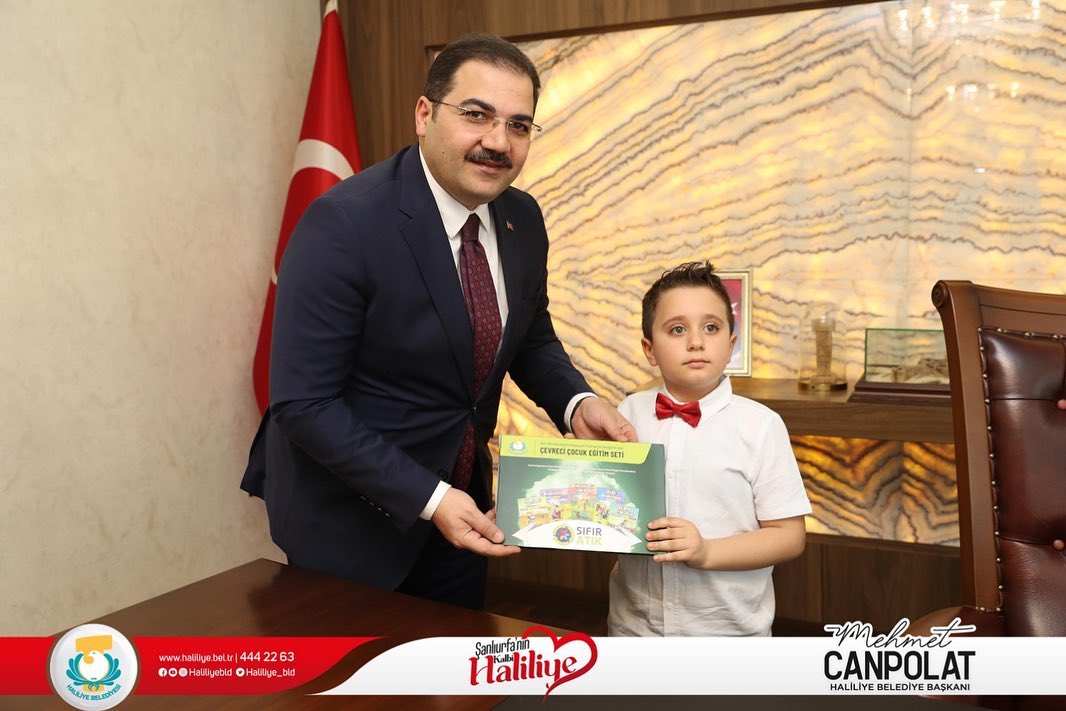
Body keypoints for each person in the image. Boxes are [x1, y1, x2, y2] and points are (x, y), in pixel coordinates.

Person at [240, 34, 634, 610]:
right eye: (476, 115)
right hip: (350, 523)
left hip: (464, 511)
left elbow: (530, 336)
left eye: (519, 125)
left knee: (450, 664)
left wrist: (577, 403)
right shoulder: (343, 223)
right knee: (357, 670)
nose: (497, 141)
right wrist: (429, 497)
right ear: (424, 114)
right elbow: (305, 403)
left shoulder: (523, 217)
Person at [608, 260, 811, 636]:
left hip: (728, 635)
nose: (696, 342)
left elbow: (789, 536)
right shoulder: (628, 412)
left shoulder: (761, 426)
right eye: (677, 329)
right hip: (634, 628)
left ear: (731, 345)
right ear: (649, 350)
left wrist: (706, 551)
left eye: (711, 328)